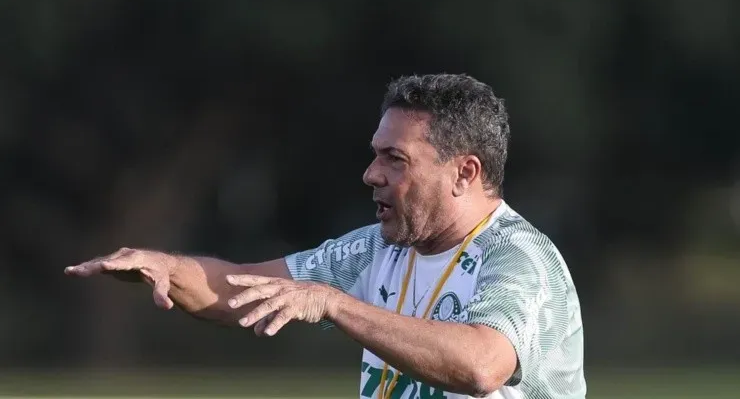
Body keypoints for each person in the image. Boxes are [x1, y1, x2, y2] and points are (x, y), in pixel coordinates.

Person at [65, 74, 586, 399]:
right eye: (376, 153)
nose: (371, 174)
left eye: (395, 159)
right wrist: (169, 268)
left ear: (464, 173)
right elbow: (238, 291)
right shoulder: (378, 248)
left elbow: (480, 365)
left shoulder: (516, 255)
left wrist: (335, 304)